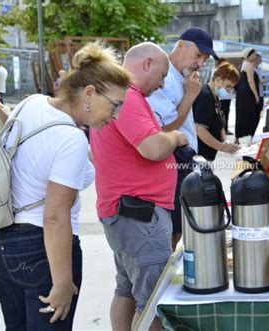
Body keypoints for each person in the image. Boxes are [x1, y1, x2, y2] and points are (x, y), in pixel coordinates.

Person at [0, 41, 131, 330]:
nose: (116, 115)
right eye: (115, 105)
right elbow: (55, 216)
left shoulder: (31, 102)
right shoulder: (71, 139)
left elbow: (26, 156)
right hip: (38, 253)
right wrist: (62, 282)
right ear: (89, 93)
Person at [90, 42, 188, 331]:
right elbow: (153, 147)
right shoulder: (128, 98)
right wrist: (176, 138)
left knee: (127, 290)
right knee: (152, 303)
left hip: (127, 213)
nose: (161, 85)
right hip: (139, 216)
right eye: (162, 75)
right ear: (146, 64)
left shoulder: (119, 96)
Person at [147, 27, 218, 251]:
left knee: (180, 227)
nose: (200, 62)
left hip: (184, 160)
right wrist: (189, 96)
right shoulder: (163, 78)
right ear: (180, 46)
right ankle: (163, 279)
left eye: (204, 59)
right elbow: (167, 127)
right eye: (198, 55)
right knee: (172, 230)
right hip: (173, 161)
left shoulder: (182, 78)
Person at [193, 60, 240, 161]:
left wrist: (225, 142)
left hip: (208, 155)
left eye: (231, 88)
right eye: (228, 87)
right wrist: (222, 147)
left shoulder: (215, 96)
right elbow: (200, 129)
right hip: (201, 157)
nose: (229, 91)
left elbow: (219, 122)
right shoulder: (206, 96)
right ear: (218, 80)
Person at [234, 47, 260, 144]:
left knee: (241, 113)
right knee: (250, 113)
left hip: (241, 92)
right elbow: (250, 81)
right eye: (254, 55)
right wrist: (256, 95)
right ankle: (252, 135)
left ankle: (237, 137)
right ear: (250, 55)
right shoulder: (249, 64)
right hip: (247, 92)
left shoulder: (243, 63)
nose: (255, 56)